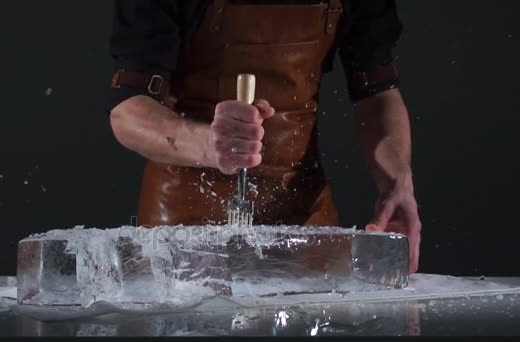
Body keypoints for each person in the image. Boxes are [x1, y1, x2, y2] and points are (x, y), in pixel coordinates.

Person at [108, 0, 421, 274]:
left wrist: (397, 181)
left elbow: (377, 93)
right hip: (183, 233)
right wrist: (209, 144)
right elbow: (128, 112)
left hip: (304, 224)